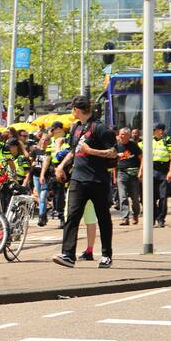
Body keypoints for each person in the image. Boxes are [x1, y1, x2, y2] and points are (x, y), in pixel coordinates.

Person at [52, 95, 117, 269]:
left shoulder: (100, 128)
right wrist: (61, 166)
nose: (72, 112)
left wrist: (91, 151)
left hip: (97, 180)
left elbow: (113, 153)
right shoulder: (76, 128)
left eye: (72, 108)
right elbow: (74, 151)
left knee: (103, 218)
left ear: (77, 110)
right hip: (78, 179)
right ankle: (68, 255)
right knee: (72, 216)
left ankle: (106, 255)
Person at [114, 127, 143, 225]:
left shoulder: (133, 146)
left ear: (128, 135)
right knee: (122, 196)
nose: (120, 136)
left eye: (122, 134)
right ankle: (125, 218)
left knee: (135, 198)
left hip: (133, 174)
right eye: (120, 134)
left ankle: (135, 214)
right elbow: (114, 162)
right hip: (121, 173)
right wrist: (114, 176)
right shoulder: (117, 146)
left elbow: (142, 158)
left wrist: (141, 171)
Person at [151, 122, 171, 227]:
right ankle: (153, 216)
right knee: (149, 197)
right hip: (151, 170)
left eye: (154, 129)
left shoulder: (168, 141)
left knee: (163, 196)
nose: (152, 131)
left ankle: (161, 218)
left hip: (163, 171)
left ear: (160, 131)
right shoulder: (149, 140)